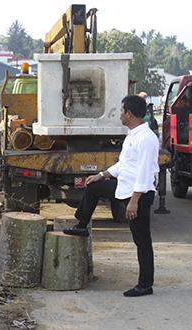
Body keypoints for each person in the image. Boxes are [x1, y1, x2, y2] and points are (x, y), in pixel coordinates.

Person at [63, 95, 160, 298]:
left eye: (122, 111)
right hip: (124, 186)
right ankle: (81, 225)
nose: (120, 114)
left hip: (138, 193)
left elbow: (144, 173)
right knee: (94, 187)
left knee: (142, 240)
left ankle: (145, 285)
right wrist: (100, 174)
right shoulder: (133, 134)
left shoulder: (146, 138)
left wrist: (134, 202)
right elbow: (124, 164)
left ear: (130, 114)